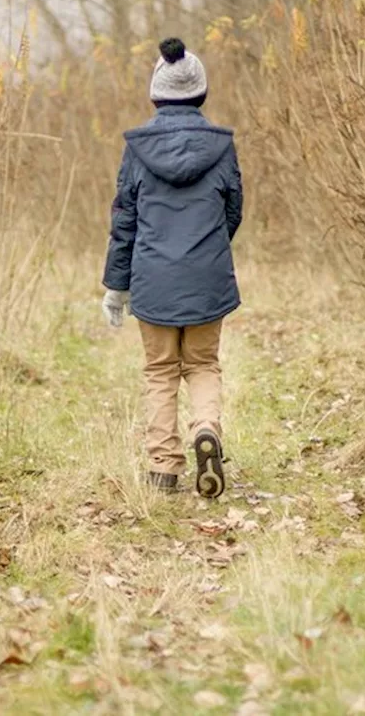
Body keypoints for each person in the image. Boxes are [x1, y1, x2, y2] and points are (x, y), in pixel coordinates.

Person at [100, 37, 244, 499]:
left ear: (156, 93)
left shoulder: (137, 151)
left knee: (161, 370)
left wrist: (115, 287)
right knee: (202, 363)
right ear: (200, 92)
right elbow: (233, 210)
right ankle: (207, 429)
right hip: (207, 278)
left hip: (153, 277)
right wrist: (208, 252)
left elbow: (124, 221)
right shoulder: (221, 148)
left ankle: (163, 468)